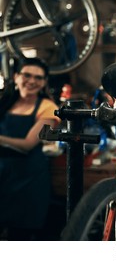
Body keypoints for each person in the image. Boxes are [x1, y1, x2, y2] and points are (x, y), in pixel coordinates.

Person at [0, 57, 60, 240]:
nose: (32, 81)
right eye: (27, 75)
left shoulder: (49, 108)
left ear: (44, 83)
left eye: (38, 78)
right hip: (2, 177)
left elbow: (28, 144)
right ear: (16, 77)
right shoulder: (4, 102)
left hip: (27, 182)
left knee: (19, 238)